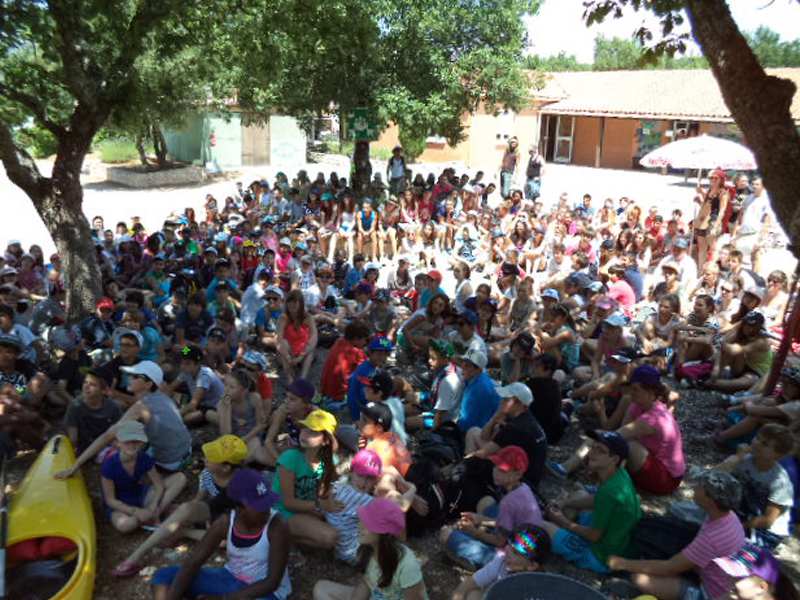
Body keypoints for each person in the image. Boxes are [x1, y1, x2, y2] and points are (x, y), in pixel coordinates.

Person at [114, 434, 249, 577]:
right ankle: (134, 557)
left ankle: (183, 532)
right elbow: (199, 499)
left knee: (226, 543)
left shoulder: (243, 486)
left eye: (211, 458)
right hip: (215, 510)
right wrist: (192, 514)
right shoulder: (208, 473)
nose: (205, 459)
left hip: (234, 519)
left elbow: (246, 520)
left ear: (226, 467)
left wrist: (215, 525)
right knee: (186, 508)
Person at [151, 468, 292, 600]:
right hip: (231, 577)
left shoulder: (277, 526)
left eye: (267, 502)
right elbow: (193, 562)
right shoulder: (225, 522)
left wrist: (225, 599)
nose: (266, 509)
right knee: (163, 577)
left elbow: (272, 582)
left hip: (264, 592)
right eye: (259, 506)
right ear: (239, 508)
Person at [607, 470, 746, 600]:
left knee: (640, 579)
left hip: (711, 592)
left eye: (700, 487)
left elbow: (668, 568)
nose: (694, 488)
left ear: (711, 501)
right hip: (709, 571)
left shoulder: (712, 537)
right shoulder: (729, 516)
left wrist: (623, 563)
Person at [56, 361, 192, 478]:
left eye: (135, 376)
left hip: (170, 462)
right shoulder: (163, 397)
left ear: (149, 384)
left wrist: (74, 466)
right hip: (186, 450)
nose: (129, 378)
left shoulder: (141, 407)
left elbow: (107, 436)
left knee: (123, 453)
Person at [541, 430, 641, 574]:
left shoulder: (610, 491)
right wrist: (567, 503)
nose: (593, 452)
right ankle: (562, 528)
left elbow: (594, 536)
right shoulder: (619, 475)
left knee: (543, 526)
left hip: (600, 556)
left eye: (601, 451)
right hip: (617, 542)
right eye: (594, 447)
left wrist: (561, 520)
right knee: (578, 496)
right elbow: (597, 500)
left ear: (614, 459)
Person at [441, 446, 544, 570]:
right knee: (486, 501)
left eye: (502, 470)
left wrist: (473, 531)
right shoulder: (522, 488)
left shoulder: (509, 502)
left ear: (517, 474)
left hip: (515, 558)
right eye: (495, 466)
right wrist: (481, 519)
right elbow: (512, 525)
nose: (495, 471)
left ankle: (481, 566)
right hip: (525, 542)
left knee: (446, 534)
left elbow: (500, 542)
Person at [313, 497, 428, 600]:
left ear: (384, 534)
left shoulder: (407, 565)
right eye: (361, 521)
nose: (359, 526)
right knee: (320, 588)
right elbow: (367, 583)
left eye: (367, 524)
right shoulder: (369, 549)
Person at [271, 408, 341, 549]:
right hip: (281, 511)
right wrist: (319, 506)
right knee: (330, 537)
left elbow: (323, 491)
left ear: (326, 440)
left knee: (337, 529)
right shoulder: (291, 457)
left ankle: (288, 538)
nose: (305, 434)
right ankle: (279, 537)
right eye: (305, 429)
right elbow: (287, 503)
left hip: (306, 508)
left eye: (313, 432)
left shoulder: (328, 461)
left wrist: (328, 505)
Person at [101, 420, 186, 533]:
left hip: (140, 494)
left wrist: (154, 506)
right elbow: (110, 500)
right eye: (127, 441)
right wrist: (135, 512)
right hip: (120, 505)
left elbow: (159, 485)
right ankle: (152, 515)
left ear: (141, 443)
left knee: (180, 478)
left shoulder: (143, 458)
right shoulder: (109, 465)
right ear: (118, 443)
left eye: (136, 441)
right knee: (125, 525)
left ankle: (154, 514)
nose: (132, 445)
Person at [464, 381, 547, 488]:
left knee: (473, 458)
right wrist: (495, 418)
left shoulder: (515, 427)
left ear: (518, 403)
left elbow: (482, 453)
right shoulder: (525, 417)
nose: (501, 401)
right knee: (474, 431)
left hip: (519, 481)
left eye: (505, 399)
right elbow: (484, 436)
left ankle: (466, 476)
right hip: (529, 475)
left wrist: (462, 462)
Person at [619, 365, 686, 496]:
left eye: (635, 389)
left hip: (668, 479)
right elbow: (622, 429)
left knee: (628, 446)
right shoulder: (638, 404)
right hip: (656, 464)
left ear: (651, 392)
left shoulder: (653, 418)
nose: (631, 393)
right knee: (620, 445)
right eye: (631, 388)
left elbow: (617, 435)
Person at [453, 525, 551, 600]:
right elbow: (470, 582)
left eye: (515, 552)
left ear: (532, 566)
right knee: (473, 594)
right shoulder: (502, 561)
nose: (507, 550)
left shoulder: (536, 589)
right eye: (508, 544)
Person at [63, 367, 122, 454]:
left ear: (104, 390)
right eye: (85, 382)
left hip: (104, 447)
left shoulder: (113, 408)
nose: (86, 386)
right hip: (83, 449)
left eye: (93, 384)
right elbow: (73, 438)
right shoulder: (75, 406)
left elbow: (118, 434)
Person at [347, 336, 393, 421]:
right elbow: (365, 397)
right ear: (370, 353)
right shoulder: (366, 373)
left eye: (385, 354)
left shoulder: (369, 366)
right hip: (360, 412)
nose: (382, 357)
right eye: (379, 354)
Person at [457, 349, 500, 433]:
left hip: (480, 434)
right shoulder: (476, 379)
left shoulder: (479, 389)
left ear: (478, 370)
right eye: (463, 363)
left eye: (467, 365)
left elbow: (467, 424)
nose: (462, 367)